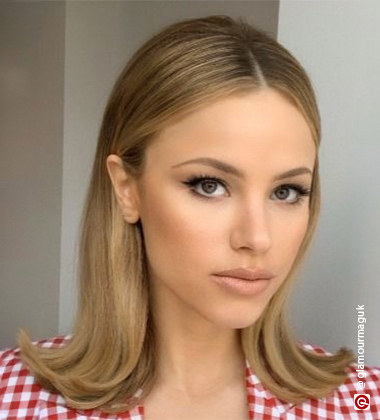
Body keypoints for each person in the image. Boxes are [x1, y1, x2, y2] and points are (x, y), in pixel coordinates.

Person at [0, 15, 379, 420]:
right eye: (209, 185)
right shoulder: (11, 399)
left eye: (286, 192)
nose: (257, 237)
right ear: (127, 188)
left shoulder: (363, 403)